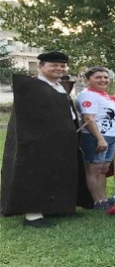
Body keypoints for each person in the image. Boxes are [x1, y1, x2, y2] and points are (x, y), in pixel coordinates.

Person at [1, 51, 92, 228]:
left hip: (61, 141)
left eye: (62, 66)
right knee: (37, 175)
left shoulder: (59, 86)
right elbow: (28, 119)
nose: (59, 68)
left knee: (59, 174)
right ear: (41, 66)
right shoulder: (31, 88)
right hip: (37, 142)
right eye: (54, 65)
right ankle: (33, 215)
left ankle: (56, 207)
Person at [76, 67, 115, 210]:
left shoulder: (103, 95)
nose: (103, 80)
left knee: (103, 169)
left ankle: (103, 198)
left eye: (105, 77)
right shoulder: (87, 95)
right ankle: (96, 200)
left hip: (110, 136)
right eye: (98, 77)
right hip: (95, 136)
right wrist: (100, 139)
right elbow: (88, 118)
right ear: (87, 80)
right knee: (94, 169)